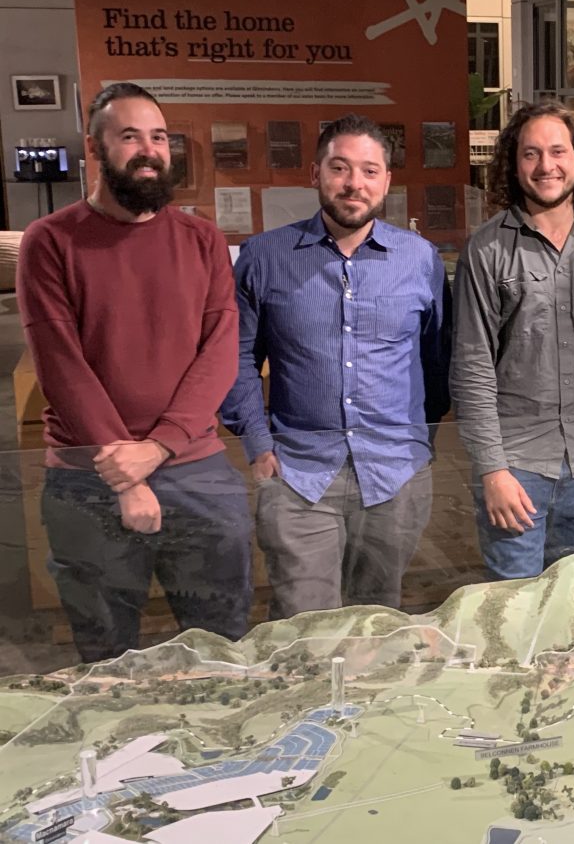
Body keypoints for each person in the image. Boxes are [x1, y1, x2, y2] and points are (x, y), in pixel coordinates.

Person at [17, 82, 252, 662]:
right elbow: (60, 362)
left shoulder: (201, 239)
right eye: (129, 137)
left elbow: (220, 352)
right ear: (96, 149)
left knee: (220, 646)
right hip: (87, 479)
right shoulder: (50, 242)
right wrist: (126, 474)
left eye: (159, 137)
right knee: (105, 653)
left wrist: (158, 449)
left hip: (196, 472)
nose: (149, 150)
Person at [221, 114, 450, 618]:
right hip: (298, 473)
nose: (354, 184)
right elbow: (235, 358)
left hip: (396, 474)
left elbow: (437, 360)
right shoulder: (263, 257)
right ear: (315, 173)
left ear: (387, 181)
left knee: (378, 619)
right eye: (340, 168)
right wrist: (258, 444)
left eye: (370, 171)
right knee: (305, 625)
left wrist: (420, 443)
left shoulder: (420, 259)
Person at [451, 101, 574, 580]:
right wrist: (492, 471)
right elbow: (472, 367)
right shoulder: (487, 249)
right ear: (512, 162)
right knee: (514, 606)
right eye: (531, 154)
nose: (546, 166)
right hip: (517, 466)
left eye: (558, 151)